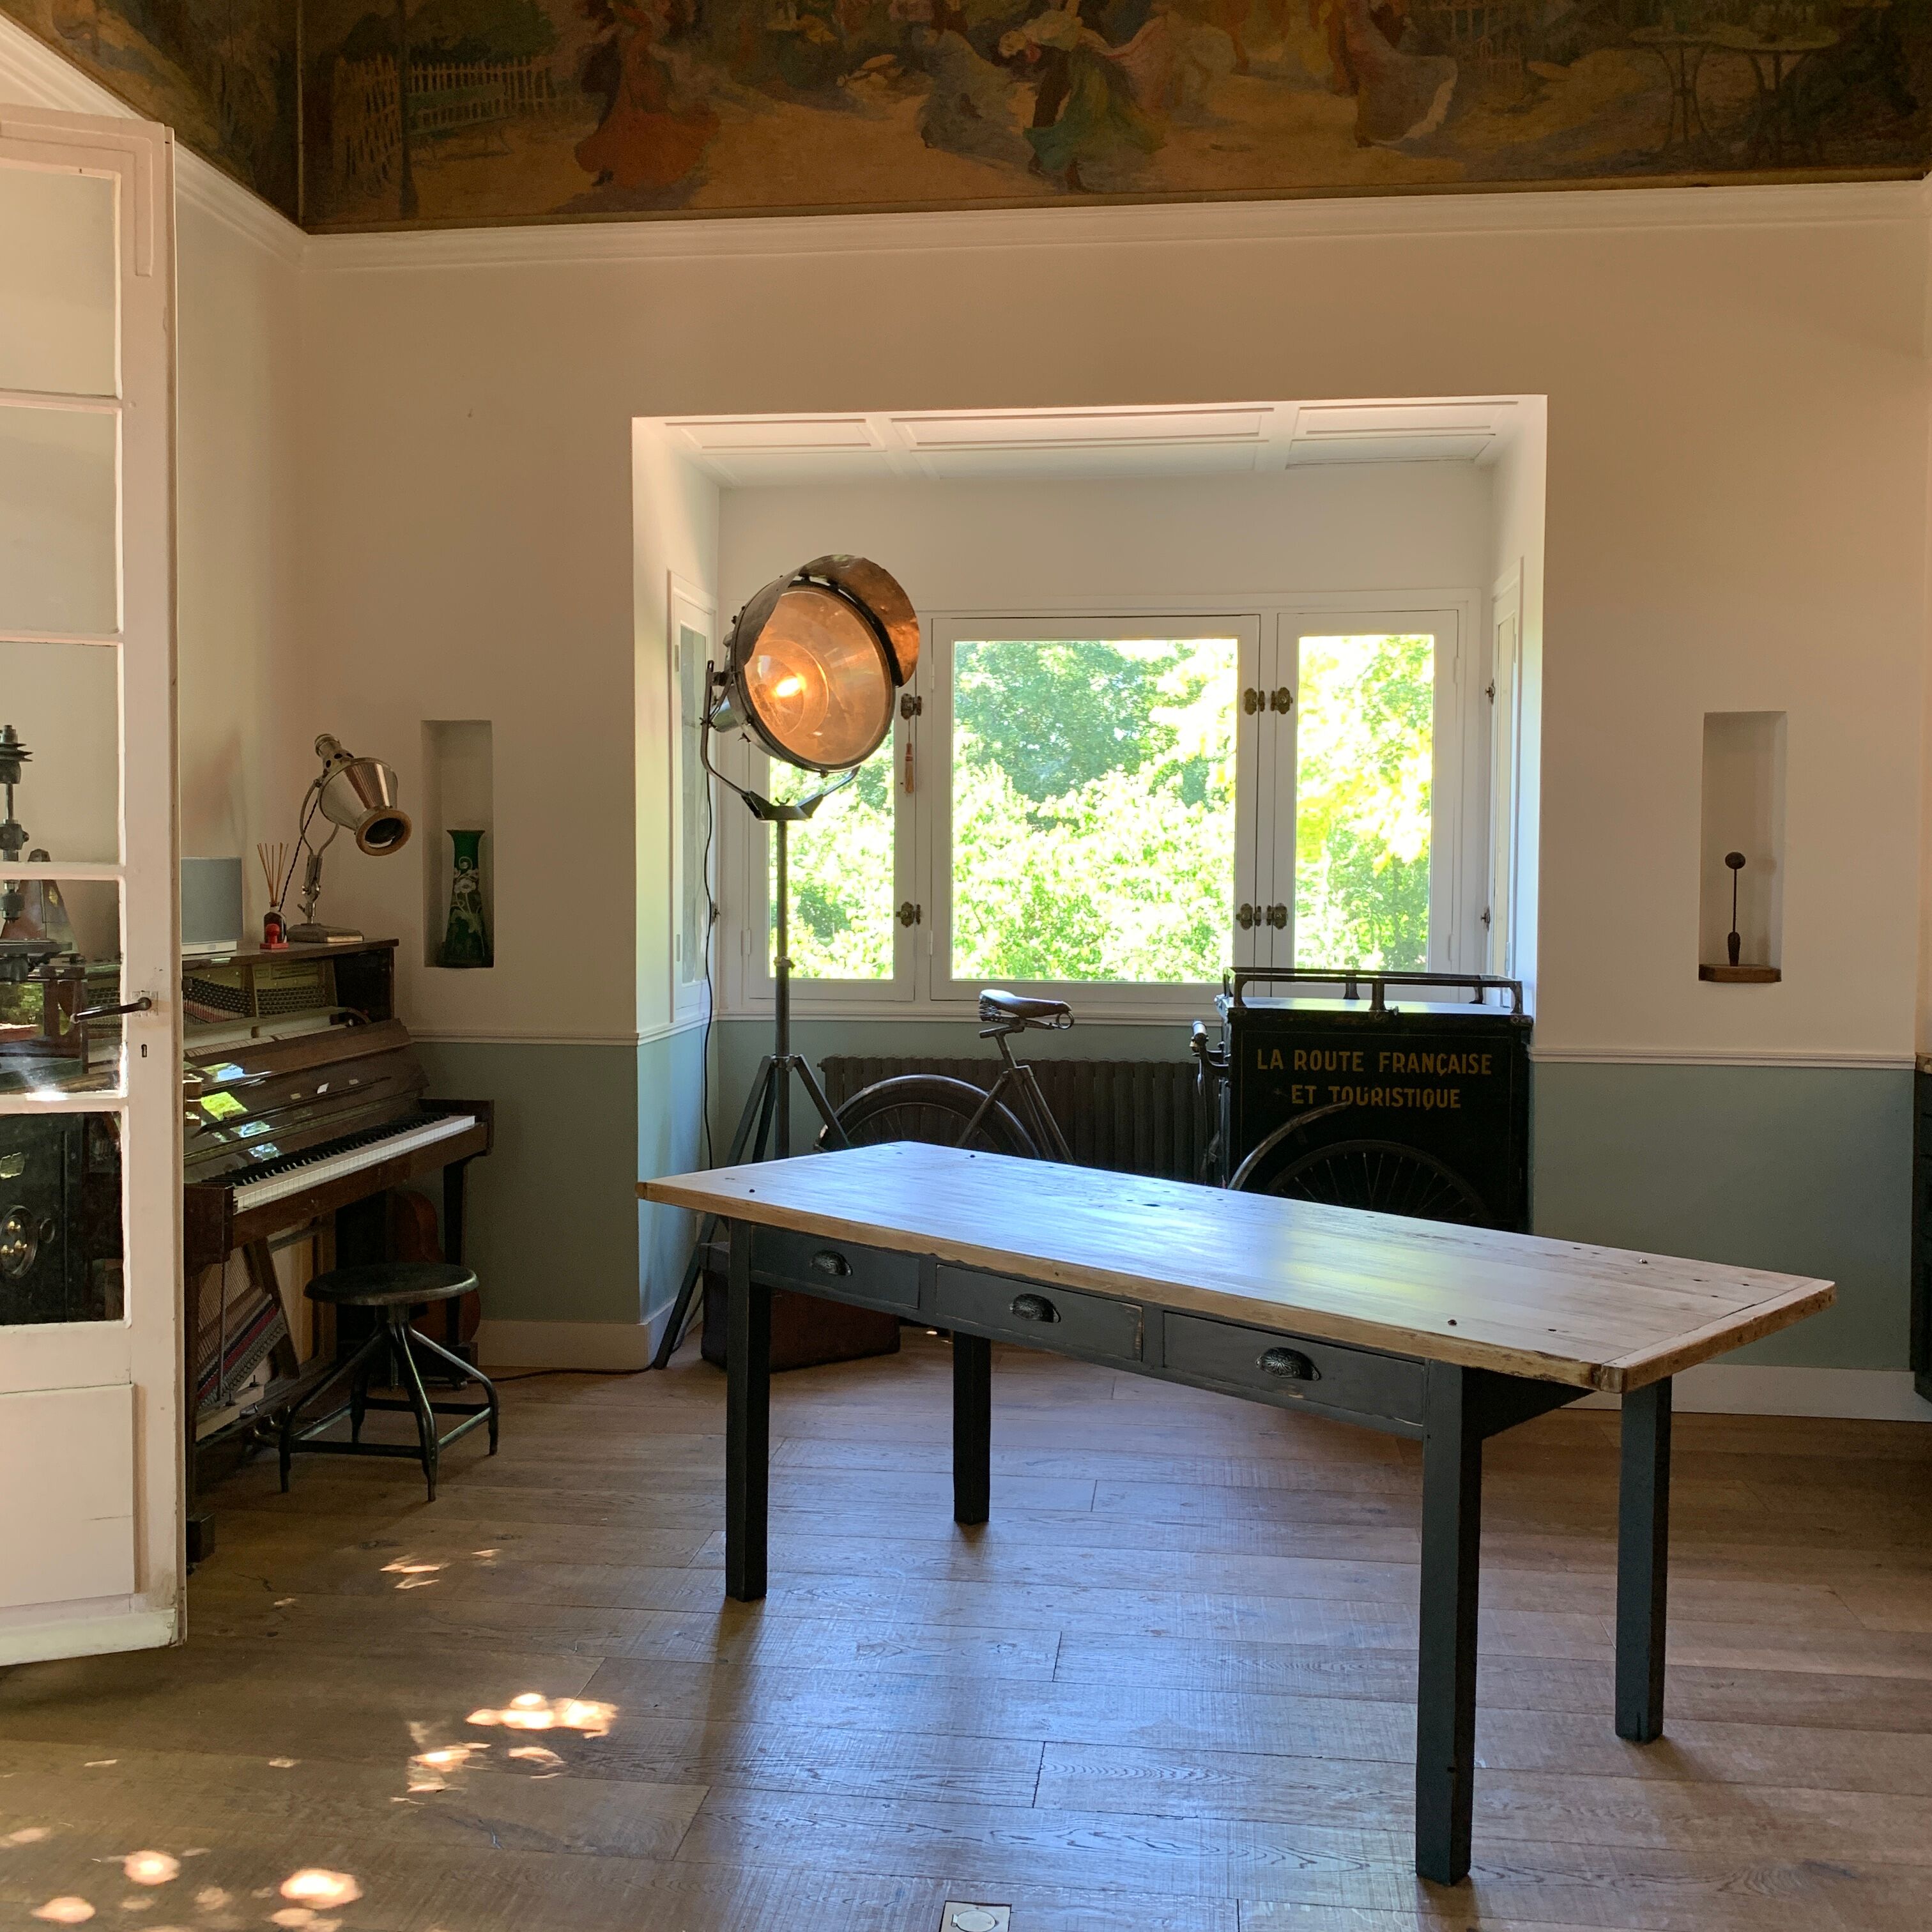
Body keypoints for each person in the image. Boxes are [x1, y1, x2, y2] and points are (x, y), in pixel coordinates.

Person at [575, 0, 720, 192]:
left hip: (639, 77)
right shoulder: (632, 22)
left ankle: (650, 171)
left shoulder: (645, 22)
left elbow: (639, 42)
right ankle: (620, 172)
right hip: (630, 78)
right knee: (628, 125)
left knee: (649, 122)